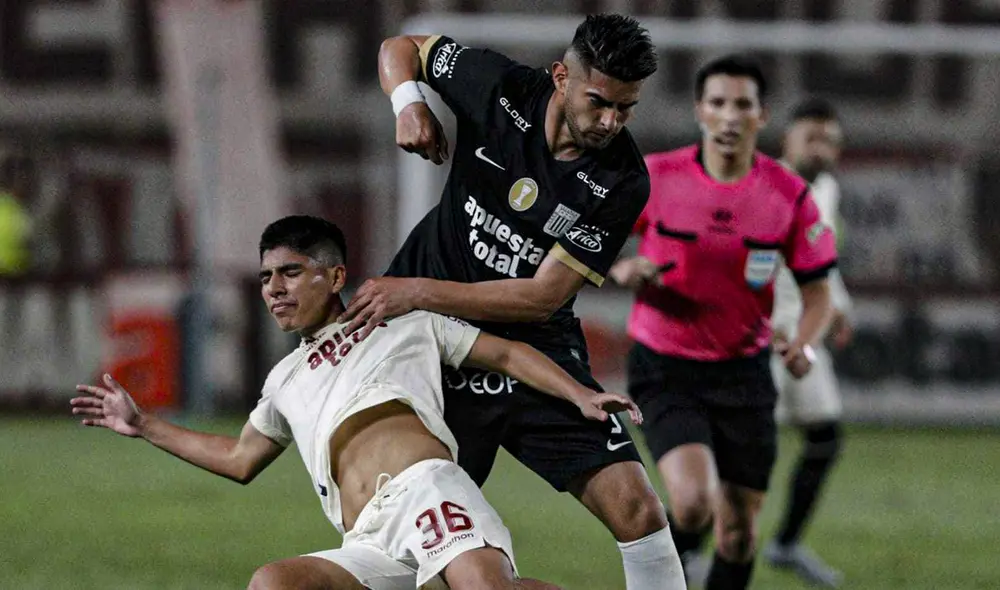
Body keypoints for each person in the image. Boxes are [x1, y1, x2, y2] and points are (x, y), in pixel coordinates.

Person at [71, 215, 643, 590]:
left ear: (336, 274)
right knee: (272, 584)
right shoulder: (284, 378)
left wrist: (581, 394)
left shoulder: (404, 322)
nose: (273, 288)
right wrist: (145, 425)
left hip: (427, 490)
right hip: (367, 536)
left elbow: (509, 355)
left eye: (291, 272)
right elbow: (238, 459)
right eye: (267, 276)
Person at [340, 14, 686, 589]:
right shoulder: (498, 88)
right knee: (415, 551)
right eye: (599, 102)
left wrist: (415, 290)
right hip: (429, 349)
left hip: (533, 348)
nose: (611, 121)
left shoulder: (623, 180)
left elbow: (540, 298)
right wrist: (409, 103)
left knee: (639, 510)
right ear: (560, 77)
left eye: (626, 109)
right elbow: (400, 47)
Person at [609, 56, 837, 590]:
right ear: (699, 111)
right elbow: (600, 242)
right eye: (717, 103)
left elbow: (819, 293)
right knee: (691, 505)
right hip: (665, 366)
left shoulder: (788, 196)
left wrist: (804, 343)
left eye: (742, 105)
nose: (729, 116)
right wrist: (623, 268)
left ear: (762, 115)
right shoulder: (658, 177)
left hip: (744, 372)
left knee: (738, 533)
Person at [762, 98, 852, 588]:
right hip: (763, 334)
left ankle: (786, 543)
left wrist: (840, 307)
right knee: (745, 453)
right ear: (787, 142)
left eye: (830, 140)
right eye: (811, 137)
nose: (821, 148)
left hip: (806, 330)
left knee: (825, 436)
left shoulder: (828, 190)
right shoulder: (764, 186)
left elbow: (823, 258)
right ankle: (684, 547)